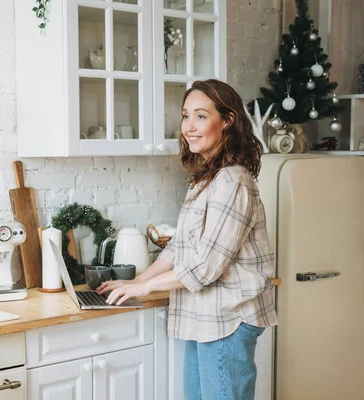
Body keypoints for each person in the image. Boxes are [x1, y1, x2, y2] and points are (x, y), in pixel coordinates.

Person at [97, 79, 278, 400]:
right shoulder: (206, 178)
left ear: (227, 121)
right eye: (185, 116)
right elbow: (180, 248)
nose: (189, 127)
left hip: (228, 320)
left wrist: (144, 288)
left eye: (200, 116)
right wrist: (136, 281)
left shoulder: (233, 181)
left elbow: (205, 265)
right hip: (207, 318)